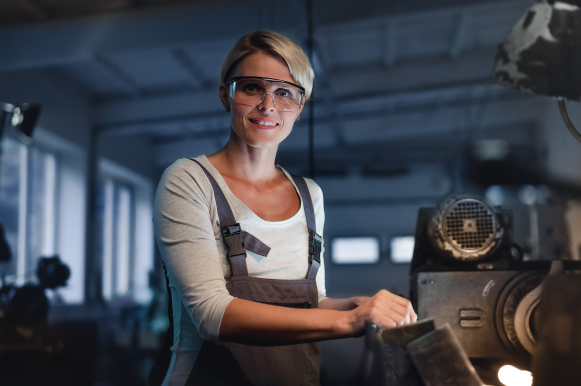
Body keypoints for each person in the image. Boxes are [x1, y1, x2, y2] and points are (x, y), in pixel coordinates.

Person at [150, 30, 417, 386]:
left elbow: (309, 305)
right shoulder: (189, 181)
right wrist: (349, 322)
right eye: (251, 88)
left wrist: (357, 306)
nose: (267, 105)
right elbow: (211, 315)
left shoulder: (310, 195)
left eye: (284, 92)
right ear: (225, 94)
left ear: (300, 107)